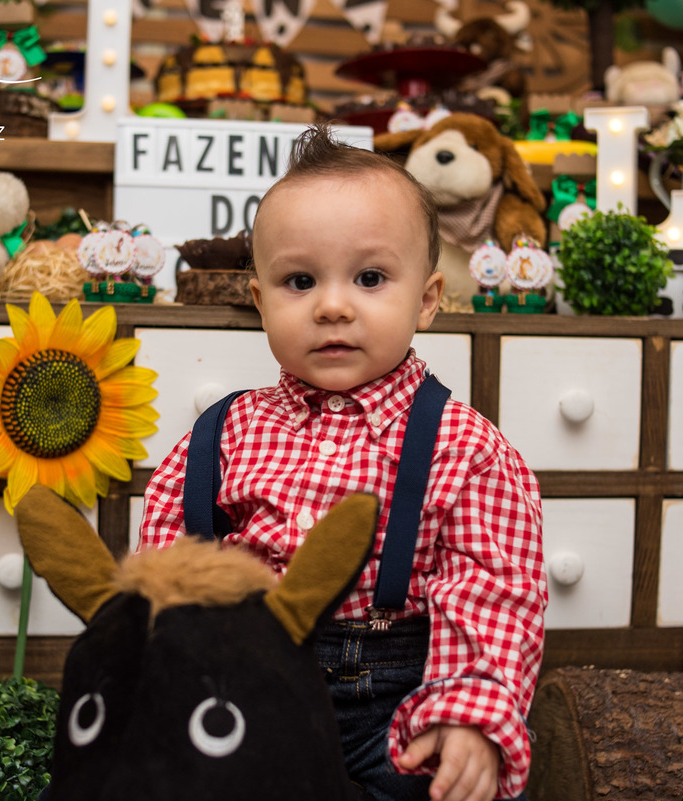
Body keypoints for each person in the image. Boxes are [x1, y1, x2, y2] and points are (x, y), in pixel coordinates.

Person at [138, 123, 545, 801]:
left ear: (427, 299)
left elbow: (494, 594)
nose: (332, 305)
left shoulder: (467, 447)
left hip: (404, 707)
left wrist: (469, 717)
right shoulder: (220, 438)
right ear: (260, 300)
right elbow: (169, 575)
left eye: (370, 277)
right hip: (245, 694)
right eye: (300, 280)